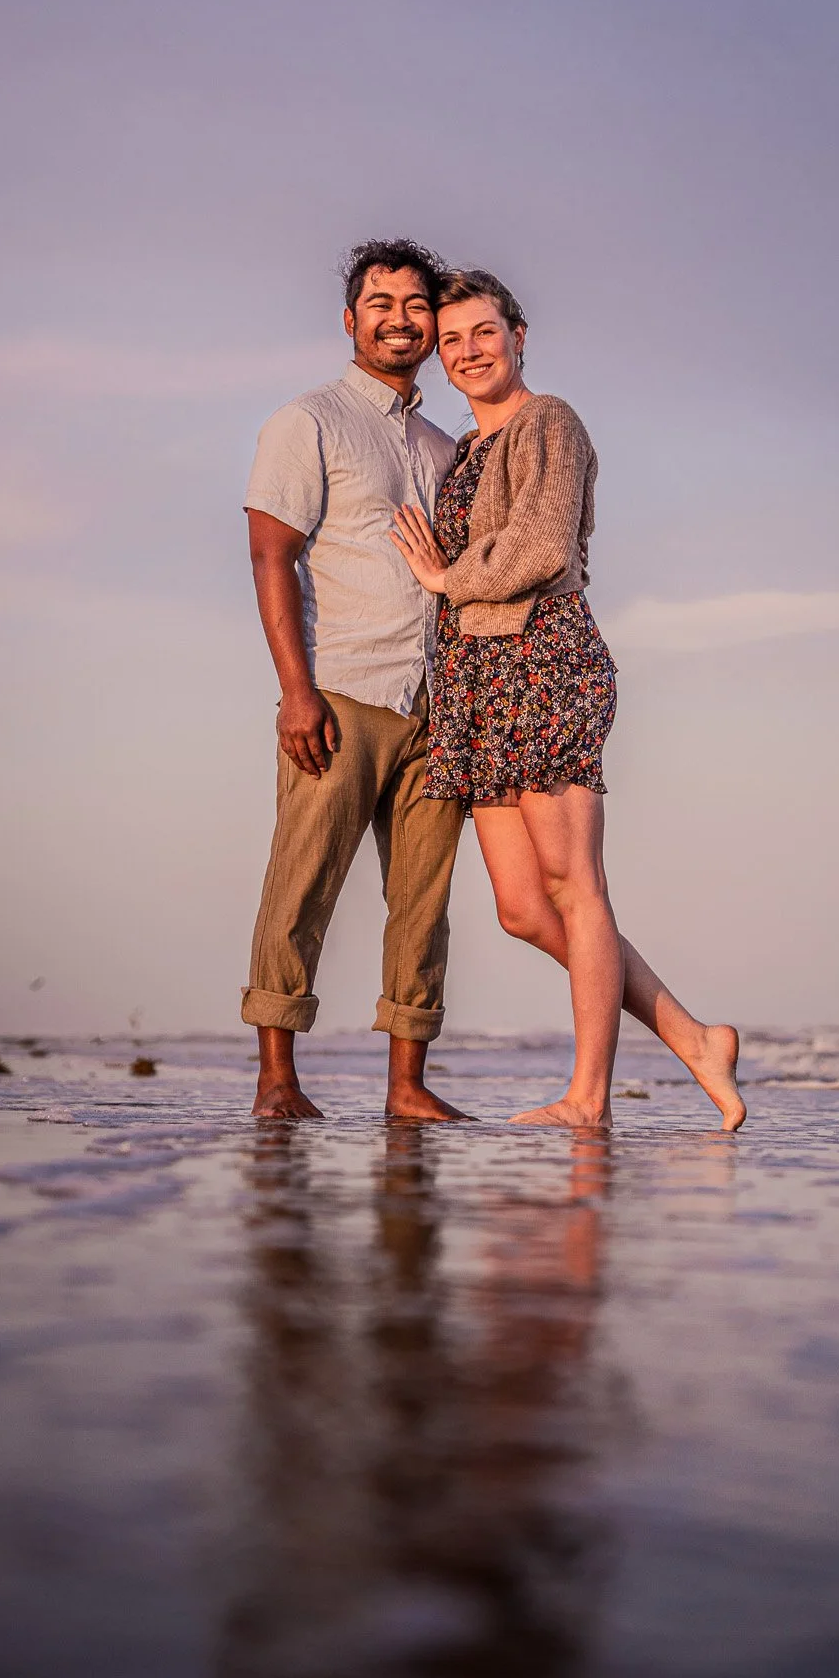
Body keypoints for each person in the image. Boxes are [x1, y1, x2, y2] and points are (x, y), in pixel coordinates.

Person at [391, 268, 746, 1131]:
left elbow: (543, 546)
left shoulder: (548, 421)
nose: (468, 351)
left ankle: (588, 1100)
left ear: (518, 335)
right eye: (452, 341)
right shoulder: (468, 452)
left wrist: (446, 577)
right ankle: (694, 1038)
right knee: (520, 908)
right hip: (478, 679)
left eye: (483, 332)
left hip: (543, 660)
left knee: (576, 886)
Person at [241, 239, 470, 1121]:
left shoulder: (448, 447)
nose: (399, 320)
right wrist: (296, 693)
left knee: (423, 903)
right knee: (302, 884)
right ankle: (276, 1079)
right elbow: (271, 557)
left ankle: (407, 1087)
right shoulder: (309, 421)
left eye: (415, 306)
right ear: (350, 320)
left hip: (436, 707)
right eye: (381, 304)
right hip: (339, 692)